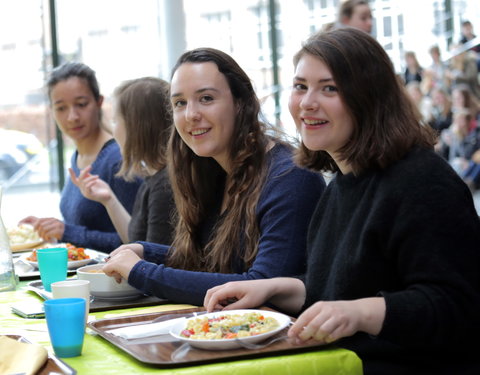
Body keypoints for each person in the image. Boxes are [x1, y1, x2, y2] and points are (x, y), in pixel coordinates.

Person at [204, 28, 480, 375]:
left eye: (329, 88)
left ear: (369, 97)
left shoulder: (423, 181)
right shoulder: (342, 183)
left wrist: (360, 313)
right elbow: (339, 290)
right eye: (301, 86)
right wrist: (272, 288)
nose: (307, 102)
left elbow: (456, 306)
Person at [102, 48, 326, 306]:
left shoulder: (290, 177)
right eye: (180, 103)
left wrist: (142, 271)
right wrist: (146, 251)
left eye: (206, 98)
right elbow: (212, 261)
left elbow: (258, 284)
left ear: (241, 103)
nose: (191, 115)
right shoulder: (211, 170)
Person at [20, 62, 142, 253]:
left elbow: (140, 242)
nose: (72, 117)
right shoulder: (78, 156)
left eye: (81, 104)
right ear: (51, 111)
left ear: (99, 102)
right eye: (61, 108)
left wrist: (66, 232)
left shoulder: (116, 160)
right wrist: (48, 228)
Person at [68, 77, 175, 245]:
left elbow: (152, 260)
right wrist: (108, 199)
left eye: (115, 120)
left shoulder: (165, 185)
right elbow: (137, 244)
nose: (112, 128)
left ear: (135, 126)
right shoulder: (154, 178)